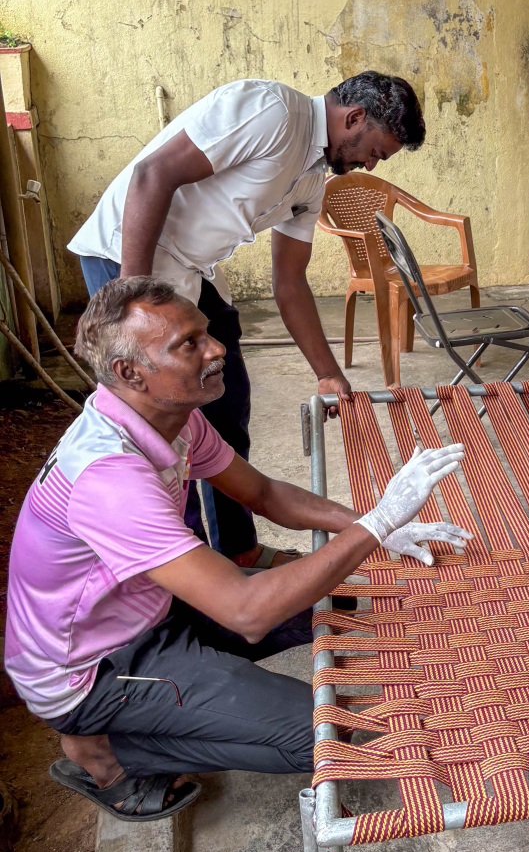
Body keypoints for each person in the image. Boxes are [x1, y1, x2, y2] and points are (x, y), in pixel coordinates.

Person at [3, 276, 469, 821]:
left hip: (146, 611)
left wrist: (377, 528)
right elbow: (247, 613)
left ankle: (183, 695)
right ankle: (106, 752)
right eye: (189, 344)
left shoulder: (170, 417)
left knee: (335, 601)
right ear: (131, 373)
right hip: (96, 668)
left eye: (206, 332)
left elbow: (265, 493)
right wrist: (379, 521)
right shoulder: (110, 479)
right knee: (327, 736)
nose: (217, 348)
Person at [69, 71, 424, 569]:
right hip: (129, 254)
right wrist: (134, 303)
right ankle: (189, 565)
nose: (370, 163)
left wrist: (327, 371)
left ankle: (239, 550)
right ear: (355, 117)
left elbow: (290, 282)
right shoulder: (272, 111)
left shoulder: (311, 179)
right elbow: (153, 175)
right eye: (375, 152)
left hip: (191, 270)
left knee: (227, 401)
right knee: (166, 420)